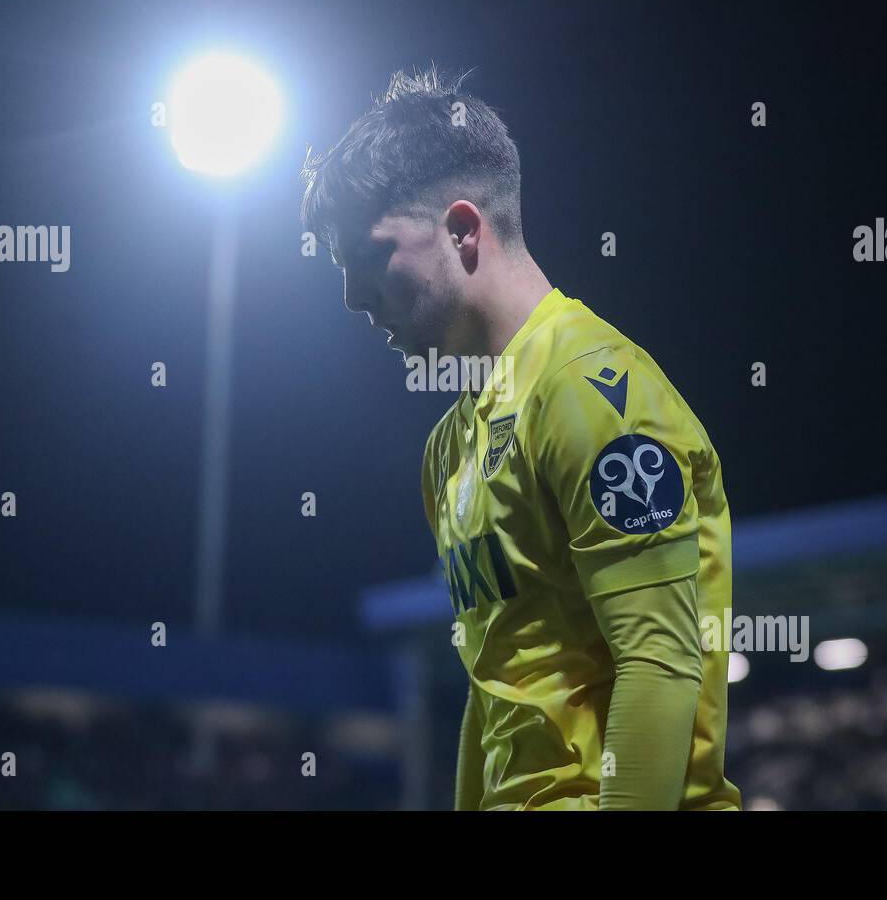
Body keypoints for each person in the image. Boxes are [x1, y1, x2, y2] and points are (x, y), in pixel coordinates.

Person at [300, 65, 741, 810]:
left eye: (371, 256)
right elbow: (493, 684)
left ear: (462, 229)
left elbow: (661, 661)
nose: (351, 297)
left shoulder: (597, 389)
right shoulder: (448, 448)